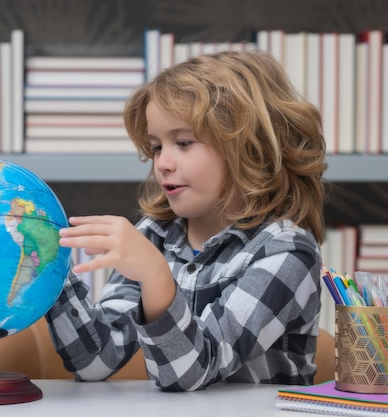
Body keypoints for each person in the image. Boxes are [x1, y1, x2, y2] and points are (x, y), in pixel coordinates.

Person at [46, 49, 327, 392]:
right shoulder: (154, 236)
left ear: (248, 146)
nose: (163, 162)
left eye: (182, 142)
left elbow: (194, 370)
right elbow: (97, 360)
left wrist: (155, 275)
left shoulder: (286, 253)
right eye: (156, 147)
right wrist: (47, 265)